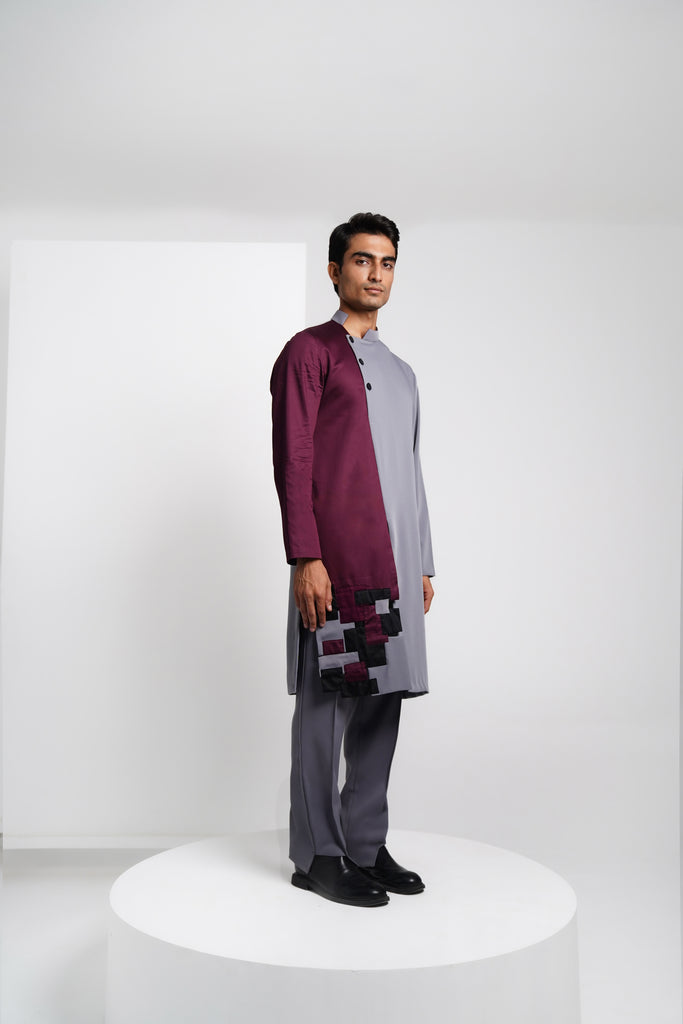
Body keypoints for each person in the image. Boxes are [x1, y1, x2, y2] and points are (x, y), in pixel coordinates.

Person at [270, 212, 435, 907]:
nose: (376, 273)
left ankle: (364, 844)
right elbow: (294, 460)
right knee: (328, 703)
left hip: (394, 564)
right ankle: (318, 853)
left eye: (387, 262)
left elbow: (411, 467)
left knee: (382, 701)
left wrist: (422, 561)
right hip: (339, 563)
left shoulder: (401, 373)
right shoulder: (309, 352)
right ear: (336, 270)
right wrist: (305, 556)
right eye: (363, 260)